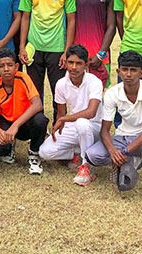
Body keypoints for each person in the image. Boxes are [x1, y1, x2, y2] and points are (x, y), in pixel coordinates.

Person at [83, 51, 142, 202]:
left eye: (133, 70)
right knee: (92, 155)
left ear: (141, 73)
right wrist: (113, 151)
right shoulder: (112, 93)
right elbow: (105, 131)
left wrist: (127, 150)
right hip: (122, 137)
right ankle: (129, 159)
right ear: (118, 71)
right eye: (125, 69)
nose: (129, 74)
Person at [18, 0, 76, 118]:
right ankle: (38, 128)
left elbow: (71, 20)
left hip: (57, 48)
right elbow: (25, 19)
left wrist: (67, 51)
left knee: (58, 91)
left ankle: (59, 128)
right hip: (34, 47)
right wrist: (22, 46)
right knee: (34, 92)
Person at [39, 45, 103, 186]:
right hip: (74, 125)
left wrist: (64, 119)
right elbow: (61, 113)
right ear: (66, 63)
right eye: (71, 63)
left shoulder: (94, 82)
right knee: (44, 152)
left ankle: (87, 167)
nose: (74, 67)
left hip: (94, 128)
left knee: (82, 123)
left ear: (86, 65)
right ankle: (77, 154)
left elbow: (91, 112)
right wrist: (59, 124)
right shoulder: (61, 84)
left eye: (79, 63)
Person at [0, 49, 49, 174]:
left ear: (16, 66)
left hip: (24, 123)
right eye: (2, 66)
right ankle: (10, 146)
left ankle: (34, 154)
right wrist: (0, 132)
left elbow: (38, 104)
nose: (6, 69)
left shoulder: (23, 78)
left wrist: (15, 126)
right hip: (7, 123)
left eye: (10, 65)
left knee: (40, 120)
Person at [74, 0, 116, 88]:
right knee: (77, 96)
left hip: (100, 57)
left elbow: (111, 27)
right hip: (76, 57)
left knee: (100, 97)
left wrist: (101, 54)